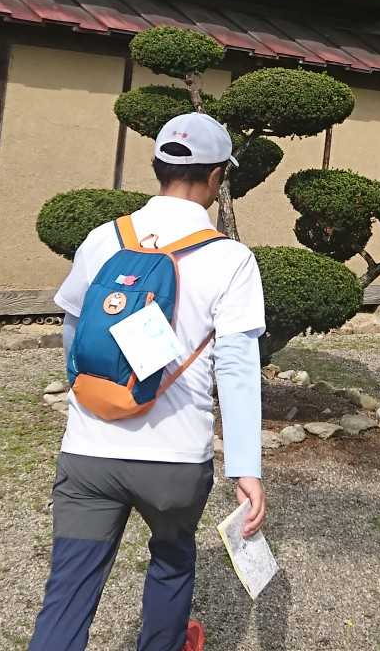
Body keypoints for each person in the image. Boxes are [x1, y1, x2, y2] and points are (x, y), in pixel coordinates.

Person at [30, 112, 267, 651]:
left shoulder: (102, 239)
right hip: (174, 460)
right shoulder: (231, 259)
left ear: (157, 166)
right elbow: (236, 367)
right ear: (217, 177)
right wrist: (246, 468)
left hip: (89, 449)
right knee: (171, 564)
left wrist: (93, 401)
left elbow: (73, 334)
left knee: (68, 592)